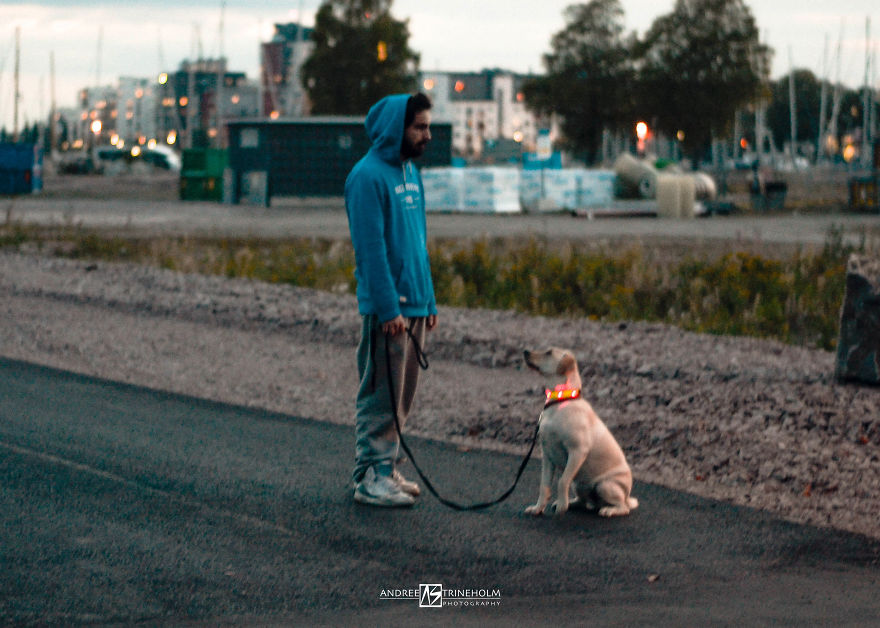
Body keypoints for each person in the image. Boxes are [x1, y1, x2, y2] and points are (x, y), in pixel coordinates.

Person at [344, 93, 438, 507]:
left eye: (427, 126)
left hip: (414, 305)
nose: (427, 135)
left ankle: (388, 466)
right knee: (381, 393)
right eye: (419, 127)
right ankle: (371, 475)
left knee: (402, 396)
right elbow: (371, 250)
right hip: (390, 311)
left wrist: (429, 300)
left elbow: (418, 242)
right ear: (395, 128)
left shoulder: (410, 172)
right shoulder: (367, 178)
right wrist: (388, 308)